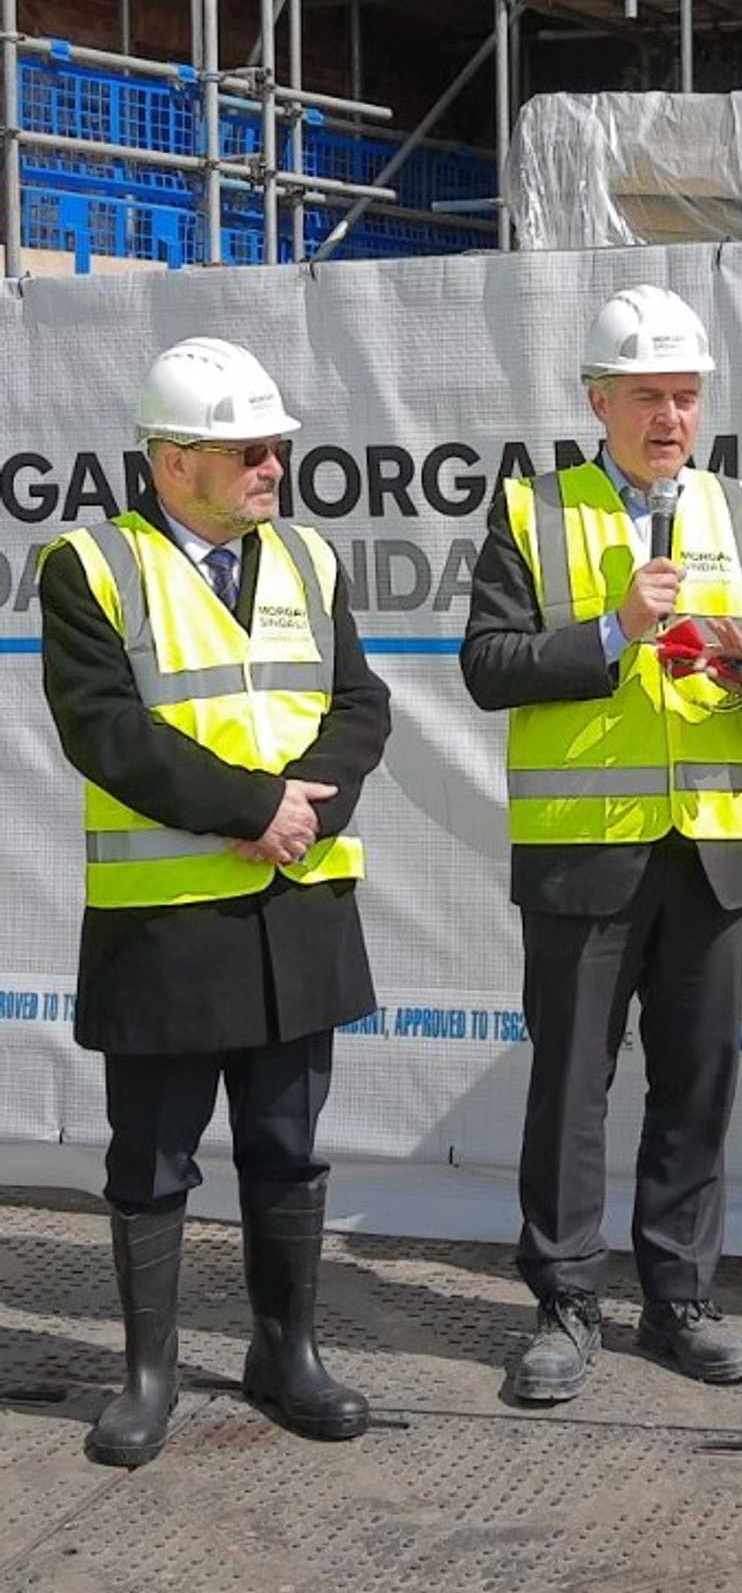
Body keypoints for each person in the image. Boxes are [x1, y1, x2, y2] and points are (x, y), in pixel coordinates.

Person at [461, 282, 742, 1403]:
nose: (669, 417)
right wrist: (615, 629)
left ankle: (680, 1298)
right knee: (573, 1085)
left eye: (685, 395)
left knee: (696, 1085)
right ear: (597, 399)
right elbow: (489, 665)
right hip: (584, 853)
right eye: (645, 396)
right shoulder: (533, 510)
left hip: (710, 849)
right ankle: (565, 1302)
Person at [39, 338, 389, 1466]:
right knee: (153, 1159)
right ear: (174, 460)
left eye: (278, 446)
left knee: (288, 1146)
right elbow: (108, 733)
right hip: (167, 926)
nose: (273, 465)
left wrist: (307, 816)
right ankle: (145, 1377)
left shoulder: (310, 558)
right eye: (248, 449)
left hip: (296, 910)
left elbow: (360, 706)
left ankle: (284, 1354)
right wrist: (253, 807)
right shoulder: (90, 564)